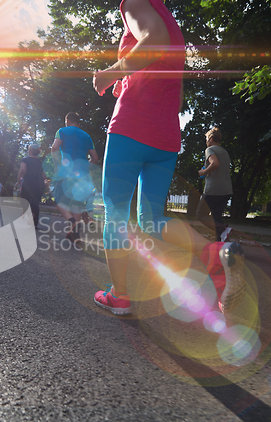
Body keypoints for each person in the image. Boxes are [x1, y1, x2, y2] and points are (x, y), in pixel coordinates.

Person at [92, 0, 245, 315]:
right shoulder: (170, 20)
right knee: (151, 221)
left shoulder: (134, 3)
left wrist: (111, 73)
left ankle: (119, 295)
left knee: (116, 214)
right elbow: (172, 89)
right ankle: (216, 255)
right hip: (164, 136)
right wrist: (128, 82)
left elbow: (154, 40)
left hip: (131, 129)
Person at [51, 112, 99, 242]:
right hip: (82, 174)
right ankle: (75, 233)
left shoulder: (62, 131)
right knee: (76, 203)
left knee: (57, 199)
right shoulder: (87, 136)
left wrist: (56, 166)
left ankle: (72, 221)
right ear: (78, 123)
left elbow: (54, 148)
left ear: (67, 121)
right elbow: (95, 158)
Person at [196, 127, 233, 242]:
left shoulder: (210, 149)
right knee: (216, 217)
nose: (206, 142)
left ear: (211, 138)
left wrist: (203, 172)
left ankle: (223, 229)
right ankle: (222, 244)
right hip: (226, 190)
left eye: (207, 139)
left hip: (213, 190)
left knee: (200, 215)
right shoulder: (225, 152)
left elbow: (215, 163)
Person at [16, 143, 47, 229]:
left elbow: (23, 170)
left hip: (27, 184)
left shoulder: (25, 160)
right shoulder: (40, 162)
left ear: (29, 150)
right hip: (38, 186)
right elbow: (44, 175)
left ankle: (28, 215)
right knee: (35, 203)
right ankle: (35, 223)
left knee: (24, 201)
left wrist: (18, 179)